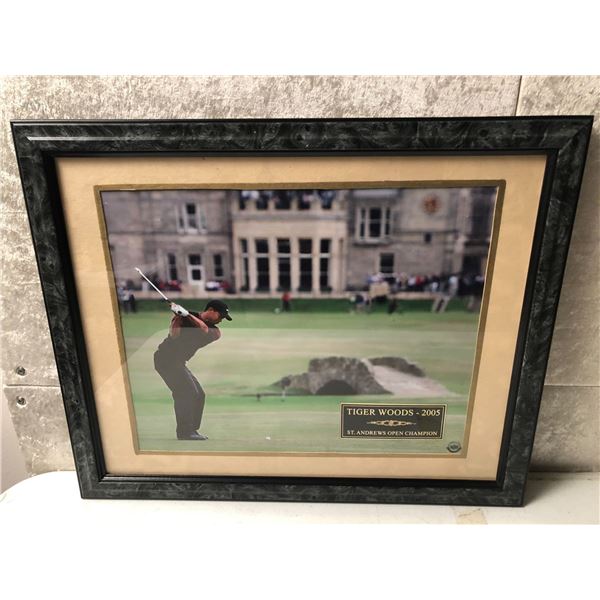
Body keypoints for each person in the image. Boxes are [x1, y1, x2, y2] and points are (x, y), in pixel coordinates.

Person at [153, 299, 232, 441]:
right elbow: (174, 335)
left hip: (178, 362)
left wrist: (186, 314)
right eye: (220, 316)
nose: (221, 320)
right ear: (211, 310)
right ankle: (185, 432)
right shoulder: (183, 317)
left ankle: (192, 429)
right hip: (165, 359)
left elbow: (203, 329)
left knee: (199, 395)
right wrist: (178, 317)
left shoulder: (215, 331)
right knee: (186, 392)